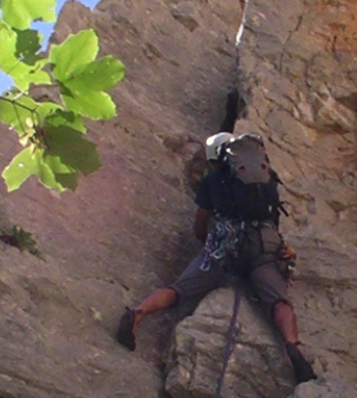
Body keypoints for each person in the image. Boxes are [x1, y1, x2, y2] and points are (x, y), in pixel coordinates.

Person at [115, 132, 317, 383]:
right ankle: (292, 346)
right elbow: (272, 221)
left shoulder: (213, 180)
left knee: (179, 289)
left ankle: (138, 313)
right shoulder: (263, 180)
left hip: (225, 245)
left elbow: (200, 226)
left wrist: (208, 248)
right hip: (264, 245)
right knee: (279, 302)